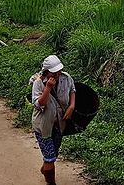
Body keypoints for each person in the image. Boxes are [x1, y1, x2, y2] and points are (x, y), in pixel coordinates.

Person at [30, 55, 76, 185]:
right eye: (53, 72)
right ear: (46, 72)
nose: (57, 74)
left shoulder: (66, 78)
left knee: (52, 156)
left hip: (59, 125)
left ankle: (46, 169)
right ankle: (51, 181)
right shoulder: (38, 83)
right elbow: (40, 104)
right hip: (43, 126)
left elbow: (72, 90)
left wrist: (71, 106)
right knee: (50, 159)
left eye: (58, 71)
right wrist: (48, 88)